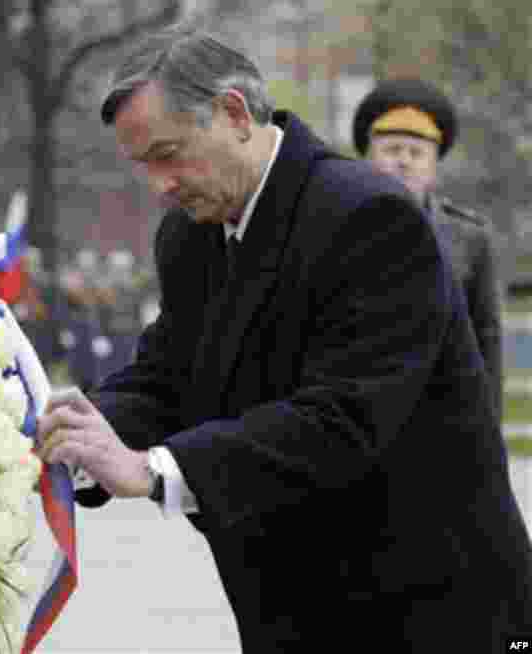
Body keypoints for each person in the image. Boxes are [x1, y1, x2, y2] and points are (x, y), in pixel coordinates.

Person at [36, 22, 532, 651]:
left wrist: (155, 470)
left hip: (427, 611)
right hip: (294, 609)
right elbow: (167, 379)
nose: (159, 184)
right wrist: (77, 436)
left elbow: (344, 417)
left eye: (168, 154)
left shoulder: (370, 217)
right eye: (142, 166)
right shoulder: (190, 233)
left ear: (234, 112)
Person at [353, 78, 504, 419]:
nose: (404, 161)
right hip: (359, 415)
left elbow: (487, 340)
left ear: (434, 165)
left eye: (417, 152)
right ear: (367, 157)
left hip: (443, 415)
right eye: (392, 150)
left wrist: (489, 428)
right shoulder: (336, 226)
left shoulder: (470, 238)